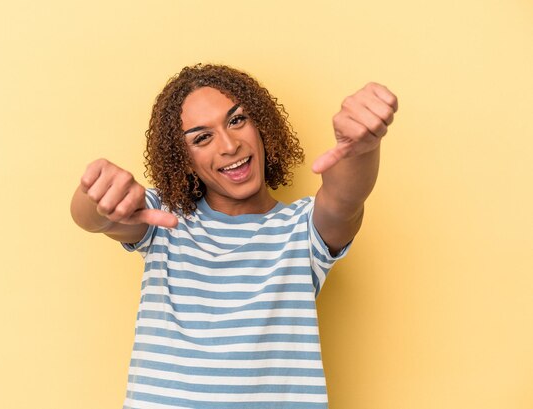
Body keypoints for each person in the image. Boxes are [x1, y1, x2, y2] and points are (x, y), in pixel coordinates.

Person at [70, 64, 397, 409]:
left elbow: (344, 201)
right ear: (183, 160)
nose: (229, 145)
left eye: (237, 120)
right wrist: (98, 202)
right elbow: (93, 219)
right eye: (201, 138)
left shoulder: (301, 230)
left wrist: (359, 149)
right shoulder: (162, 220)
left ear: (261, 125)